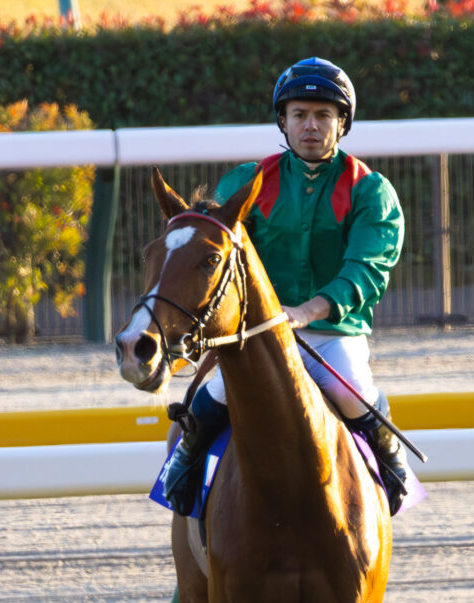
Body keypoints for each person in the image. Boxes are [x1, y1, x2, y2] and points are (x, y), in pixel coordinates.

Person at [165, 56, 408, 516]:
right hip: (256, 335)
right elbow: (218, 263)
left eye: (323, 116)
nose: (310, 126)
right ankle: (180, 469)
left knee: (351, 390)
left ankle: (391, 467)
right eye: (299, 115)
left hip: (334, 334)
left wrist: (308, 311)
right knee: (211, 396)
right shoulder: (247, 182)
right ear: (284, 121)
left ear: (342, 124)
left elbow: (367, 270)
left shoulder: (370, 190)